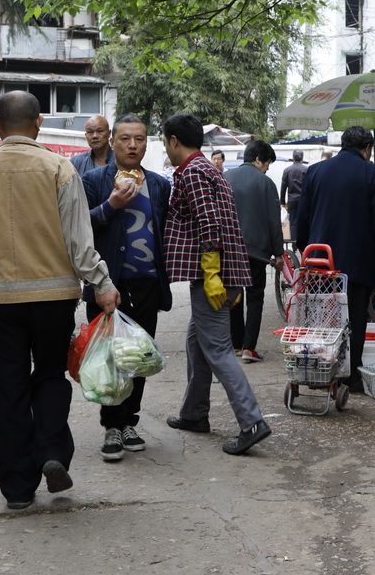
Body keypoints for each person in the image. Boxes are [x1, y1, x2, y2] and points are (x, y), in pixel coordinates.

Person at [0, 91, 119, 509]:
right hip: (53, 296)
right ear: (39, 123)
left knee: (7, 388)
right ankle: (51, 453)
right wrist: (101, 281)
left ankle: (17, 489)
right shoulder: (59, 168)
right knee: (48, 375)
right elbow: (80, 241)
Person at [162, 112, 270, 455]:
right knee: (197, 343)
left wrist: (210, 271)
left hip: (214, 276)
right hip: (228, 274)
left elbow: (208, 223)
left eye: (166, 142)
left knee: (219, 350)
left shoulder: (192, 172)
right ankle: (194, 414)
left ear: (174, 141)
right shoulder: (210, 169)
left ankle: (252, 422)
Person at [80, 114, 172, 461]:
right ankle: (112, 427)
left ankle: (129, 420)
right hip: (108, 285)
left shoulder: (159, 185)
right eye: (125, 139)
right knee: (110, 359)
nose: (133, 145)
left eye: (140, 139)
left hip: (147, 284)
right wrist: (111, 205)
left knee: (139, 358)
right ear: (112, 142)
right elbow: (80, 226)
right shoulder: (93, 181)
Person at [295, 126, 375, 393]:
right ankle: (350, 376)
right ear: (367, 149)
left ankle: (319, 369)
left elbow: (302, 216)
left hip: (320, 261)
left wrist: (305, 249)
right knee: (353, 319)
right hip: (357, 262)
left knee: (321, 317)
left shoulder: (316, 171)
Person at [225, 140, 282, 362]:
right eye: (267, 164)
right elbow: (273, 221)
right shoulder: (266, 183)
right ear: (258, 159)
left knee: (234, 295)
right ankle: (249, 348)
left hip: (229, 250)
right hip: (257, 252)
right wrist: (278, 253)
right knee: (255, 298)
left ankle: (236, 345)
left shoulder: (225, 178)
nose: (267, 169)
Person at [279, 149, 307, 229]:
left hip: (292, 200)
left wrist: (282, 202)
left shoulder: (287, 170)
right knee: (304, 221)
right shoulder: (306, 169)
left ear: (293, 158)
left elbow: (283, 187)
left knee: (293, 222)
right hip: (304, 200)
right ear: (302, 158)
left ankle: (294, 240)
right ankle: (303, 240)